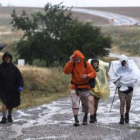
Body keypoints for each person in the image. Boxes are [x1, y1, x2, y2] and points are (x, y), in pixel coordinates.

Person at [63, 50, 96, 126]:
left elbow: (93, 73)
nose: (77, 60)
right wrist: (70, 61)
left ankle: (85, 118)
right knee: (74, 102)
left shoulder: (86, 64)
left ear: (81, 57)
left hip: (85, 86)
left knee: (85, 104)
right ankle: (76, 120)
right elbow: (66, 71)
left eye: (78, 58)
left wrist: (87, 76)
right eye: (76, 58)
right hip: (75, 86)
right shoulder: (72, 63)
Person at [109, 54, 138, 124]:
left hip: (129, 89)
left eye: (125, 61)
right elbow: (114, 80)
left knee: (128, 104)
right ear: (120, 62)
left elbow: (135, 78)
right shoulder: (118, 70)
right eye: (122, 62)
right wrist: (117, 80)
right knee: (122, 102)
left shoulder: (131, 69)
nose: (124, 63)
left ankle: (127, 113)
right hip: (121, 89)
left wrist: (131, 81)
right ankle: (121, 117)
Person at [0, 52, 24, 123]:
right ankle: (4, 117)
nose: (7, 59)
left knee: (11, 103)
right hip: (3, 89)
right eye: (6, 58)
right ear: (4, 59)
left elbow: (19, 78)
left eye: (9, 58)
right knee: (4, 102)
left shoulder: (14, 68)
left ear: (10, 59)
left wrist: (20, 86)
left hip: (12, 89)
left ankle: (9, 116)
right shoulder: (0, 67)